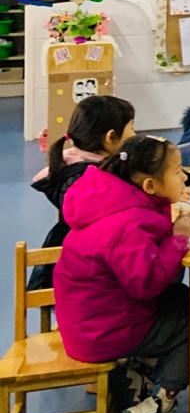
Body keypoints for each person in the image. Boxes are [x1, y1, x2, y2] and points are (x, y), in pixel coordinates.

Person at [54, 134, 190, 413]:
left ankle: (136, 375)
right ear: (149, 185)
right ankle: (160, 405)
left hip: (89, 320)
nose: (184, 177)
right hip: (104, 333)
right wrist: (178, 238)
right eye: (177, 172)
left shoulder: (112, 200)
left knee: (179, 298)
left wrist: (167, 202)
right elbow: (147, 284)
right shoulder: (127, 222)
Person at [29, 95, 136, 290]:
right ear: (111, 137)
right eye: (132, 128)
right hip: (89, 279)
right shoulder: (92, 181)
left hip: (81, 270)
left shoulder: (74, 164)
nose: (134, 135)